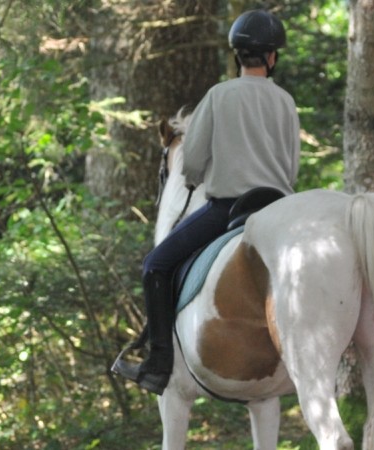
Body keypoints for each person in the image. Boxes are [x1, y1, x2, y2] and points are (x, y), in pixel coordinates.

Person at [111, 9, 301, 395]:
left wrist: (203, 175)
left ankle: (159, 362)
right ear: (272, 57)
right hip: (281, 210)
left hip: (229, 209)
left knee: (155, 266)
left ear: (238, 56)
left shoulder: (217, 95)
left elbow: (193, 164)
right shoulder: (285, 101)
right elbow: (292, 167)